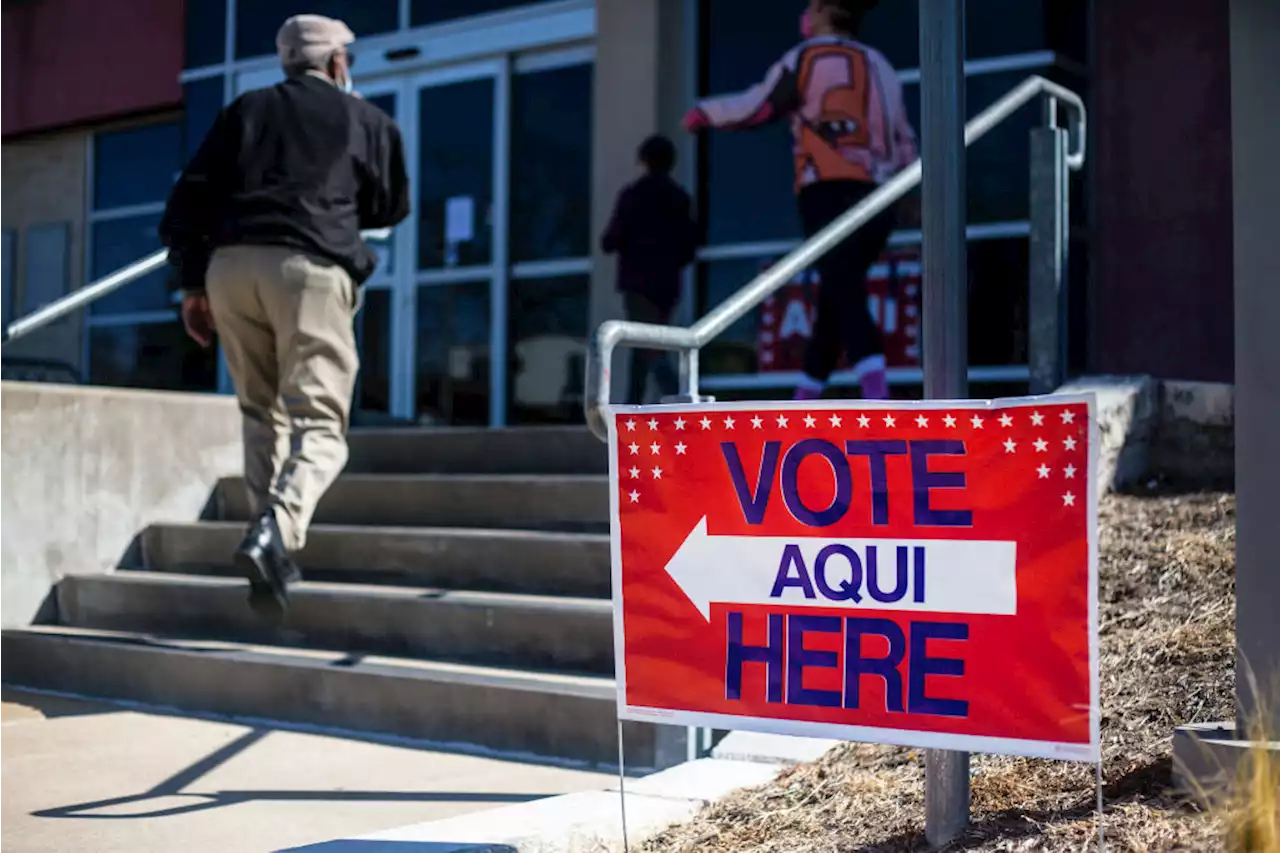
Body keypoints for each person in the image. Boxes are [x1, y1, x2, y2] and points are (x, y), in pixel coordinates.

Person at [159, 14, 410, 614]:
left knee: (260, 411)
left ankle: (271, 555)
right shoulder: (366, 120)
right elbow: (390, 206)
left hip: (230, 270)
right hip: (310, 270)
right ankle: (276, 528)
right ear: (338, 63)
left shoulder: (244, 110)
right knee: (320, 424)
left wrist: (194, 285)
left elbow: (186, 202)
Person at [682, 0, 916, 401]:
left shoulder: (806, 56)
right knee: (838, 293)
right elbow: (904, 139)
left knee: (843, 289)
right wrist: (910, 193)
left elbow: (759, 105)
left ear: (825, 10)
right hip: (879, 196)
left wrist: (706, 112)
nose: (804, 15)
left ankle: (877, 394)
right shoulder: (881, 65)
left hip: (826, 188)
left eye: (810, 7)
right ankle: (805, 396)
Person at [602, 134, 699, 405]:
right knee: (643, 345)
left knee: (649, 346)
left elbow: (609, 240)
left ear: (644, 160)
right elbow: (689, 247)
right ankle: (631, 407)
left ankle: (680, 399)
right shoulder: (678, 198)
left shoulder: (633, 196)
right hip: (666, 286)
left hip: (637, 284)